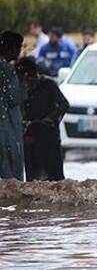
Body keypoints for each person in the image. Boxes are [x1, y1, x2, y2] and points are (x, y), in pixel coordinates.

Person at [16, 57, 69, 181]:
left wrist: (50, 118)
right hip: (30, 135)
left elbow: (64, 104)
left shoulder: (48, 84)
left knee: (54, 175)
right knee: (32, 175)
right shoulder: (21, 88)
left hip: (49, 134)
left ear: (31, 74)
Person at [0, 31, 25, 180]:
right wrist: (25, 84)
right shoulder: (7, 69)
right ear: (13, 49)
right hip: (6, 127)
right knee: (10, 173)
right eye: (19, 47)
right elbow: (13, 97)